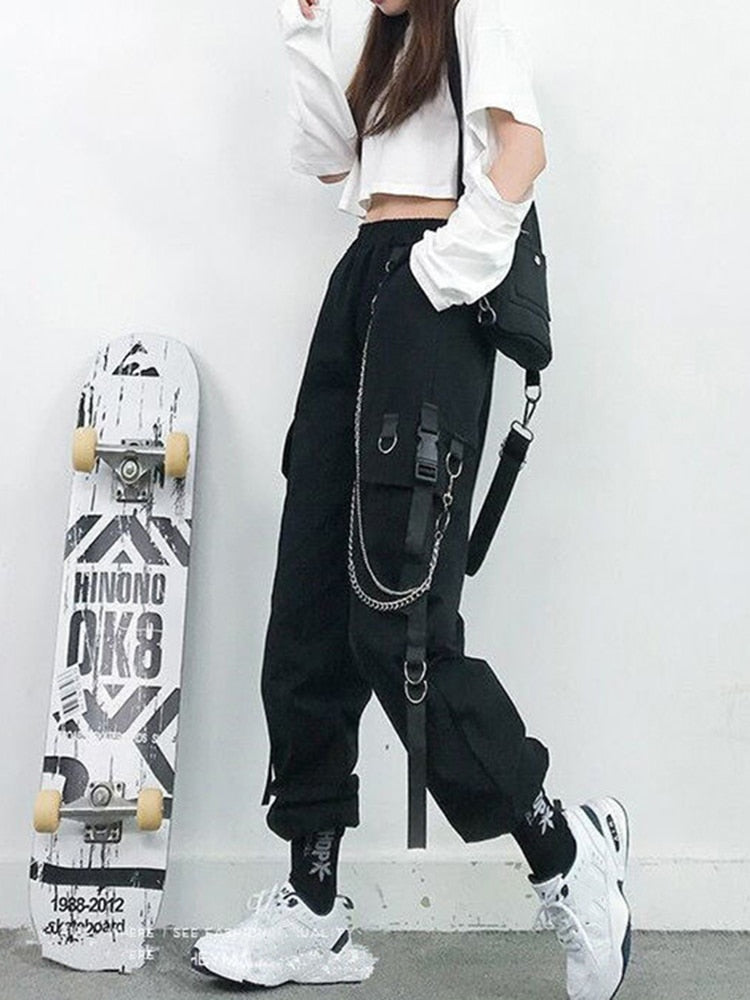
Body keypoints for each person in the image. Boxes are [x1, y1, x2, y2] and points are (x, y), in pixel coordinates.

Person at [191, 2, 632, 997]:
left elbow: (522, 151)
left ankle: (568, 853)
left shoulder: (474, 17)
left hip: (431, 297)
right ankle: (311, 903)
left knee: (399, 623)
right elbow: (326, 159)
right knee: (309, 604)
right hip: (363, 281)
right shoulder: (389, 43)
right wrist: (305, 30)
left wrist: (440, 270)